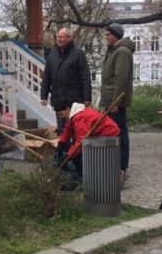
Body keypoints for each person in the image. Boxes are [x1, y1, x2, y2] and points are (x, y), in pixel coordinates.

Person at [100, 23, 135, 187]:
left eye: (108, 34)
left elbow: (121, 79)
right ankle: (116, 167)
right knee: (113, 132)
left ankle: (121, 169)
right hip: (110, 99)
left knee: (120, 133)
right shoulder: (114, 50)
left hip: (115, 101)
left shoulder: (121, 51)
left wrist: (116, 102)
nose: (105, 36)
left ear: (115, 35)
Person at [40, 28, 92, 134]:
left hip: (75, 100)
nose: (59, 39)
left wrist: (87, 98)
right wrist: (43, 96)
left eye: (62, 37)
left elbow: (85, 76)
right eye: (58, 37)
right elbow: (47, 76)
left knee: (76, 129)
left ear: (69, 38)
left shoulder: (78, 53)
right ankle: (64, 150)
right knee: (62, 130)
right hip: (59, 99)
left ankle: (75, 150)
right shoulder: (52, 54)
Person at [56, 102, 120, 182]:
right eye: (59, 115)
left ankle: (101, 178)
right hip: (98, 134)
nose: (61, 117)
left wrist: (68, 155)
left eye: (61, 114)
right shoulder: (73, 116)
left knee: (91, 156)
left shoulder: (80, 117)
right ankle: (85, 177)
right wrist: (61, 143)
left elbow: (81, 142)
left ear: (68, 109)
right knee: (78, 153)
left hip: (108, 134)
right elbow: (68, 131)